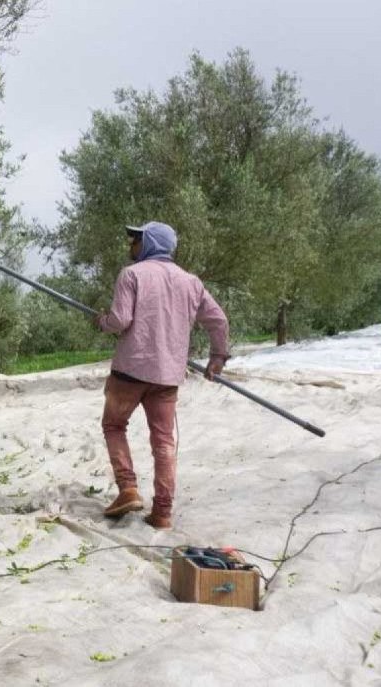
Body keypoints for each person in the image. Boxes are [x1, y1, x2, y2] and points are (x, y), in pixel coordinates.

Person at [92, 221, 229, 530]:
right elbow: (218, 320)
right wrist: (217, 357)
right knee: (164, 442)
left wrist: (101, 322)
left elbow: (120, 320)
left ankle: (127, 488)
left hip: (130, 371)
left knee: (113, 425)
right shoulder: (191, 282)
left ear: (150, 242)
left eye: (135, 240)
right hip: (167, 375)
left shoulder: (132, 275)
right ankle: (163, 512)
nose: (131, 246)